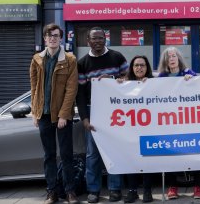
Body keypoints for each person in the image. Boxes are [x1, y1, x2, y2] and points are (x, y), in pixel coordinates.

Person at [76, 27, 129, 203]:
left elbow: (130, 82)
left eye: (101, 38)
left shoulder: (117, 57)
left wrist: (112, 81)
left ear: (105, 39)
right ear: (88, 42)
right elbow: (80, 94)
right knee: (93, 154)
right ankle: (94, 190)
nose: (98, 41)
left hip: (115, 110)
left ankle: (115, 189)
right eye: (94, 39)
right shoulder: (82, 63)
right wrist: (84, 117)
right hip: (93, 110)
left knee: (114, 150)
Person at [30, 24, 80, 204]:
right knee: (49, 155)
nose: (52, 38)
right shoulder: (37, 59)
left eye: (56, 35)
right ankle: (52, 191)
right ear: (44, 38)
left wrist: (64, 115)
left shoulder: (70, 60)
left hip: (61, 116)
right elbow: (34, 87)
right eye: (49, 35)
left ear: (61, 38)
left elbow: (71, 89)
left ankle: (70, 192)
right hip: (43, 115)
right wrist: (35, 112)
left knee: (66, 155)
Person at [157, 47, 200, 200]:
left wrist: (193, 81)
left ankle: (197, 187)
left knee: (194, 154)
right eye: (168, 56)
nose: (171, 58)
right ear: (165, 60)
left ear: (178, 58)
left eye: (174, 56)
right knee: (172, 154)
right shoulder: (161, 77)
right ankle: (172, 187)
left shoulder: (188, 73)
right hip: (170, 122)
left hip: (189, 121)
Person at [116, 55, 155, 203]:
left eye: (142, 65)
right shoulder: (125, 83)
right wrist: (117, 85)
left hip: (149, 128)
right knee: (131, 159)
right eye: (136, 65)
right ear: (131, 68)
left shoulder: (153, 81)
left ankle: (147, 190)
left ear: (147, 68)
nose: (139, 68)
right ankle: (132, 191)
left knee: (147, 161)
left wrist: (150, 84)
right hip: (130, 129)